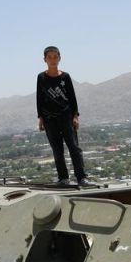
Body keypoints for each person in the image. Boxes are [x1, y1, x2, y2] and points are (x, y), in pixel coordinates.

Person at [36, 46, 91, 187]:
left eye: (55, 57)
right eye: (50, 57)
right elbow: (39, 99)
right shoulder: (41, 78)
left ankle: (81, 178)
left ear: (59, 58)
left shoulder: (65, 77)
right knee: (57, 149)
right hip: (49, 119)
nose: (53, 60)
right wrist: (40, 118)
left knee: (74, 147)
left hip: (66, 116)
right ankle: (63, 179)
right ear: (45, 60)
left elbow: (72, 98)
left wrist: (75, 116)